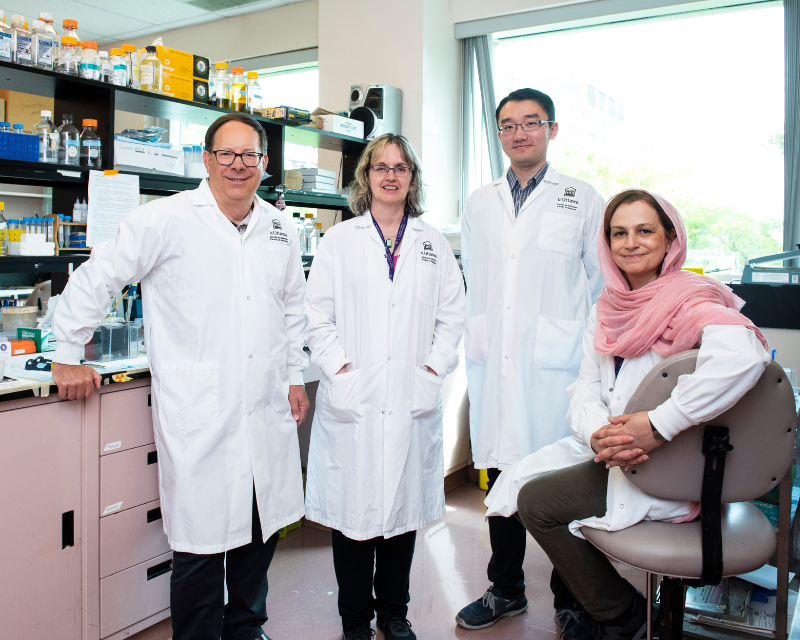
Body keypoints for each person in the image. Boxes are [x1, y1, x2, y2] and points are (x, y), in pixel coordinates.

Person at [50, 112, 310, 640]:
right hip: (202, 408)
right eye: (226, 154)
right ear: (208, 160)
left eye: (249, 155)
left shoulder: (280, 227)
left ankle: (246, 627)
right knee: (199, 544)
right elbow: (100, 276)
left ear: (264, 163)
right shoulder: (164, 219)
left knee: (261, 527)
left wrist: (295, 373)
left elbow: (292, 309)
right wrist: (67, 348)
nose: (238, 165)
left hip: (265, 404)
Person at [484, 189, 770, 640]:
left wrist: (659, 425)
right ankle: (582, 603)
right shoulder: (608, 308)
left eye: (644, 231)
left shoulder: (691, 300)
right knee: (515, 480)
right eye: (619, 232)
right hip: (619, 452)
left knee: (538, 503)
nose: (630, 242)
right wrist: (598, 433)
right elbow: (585, 387)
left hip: (669, 465)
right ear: (607, 242)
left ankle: (621, 615)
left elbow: (747, 357)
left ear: (670, 239)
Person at [304, 133, 466, 640]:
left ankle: (394, 615)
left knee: (401, 516)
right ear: (366, 176)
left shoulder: (432, 243)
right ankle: (355, 620)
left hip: (410, 396)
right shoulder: (340, 239)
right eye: (381, 167)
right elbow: (316, 316)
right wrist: (342, 371)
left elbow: (452, 317)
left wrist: (432, 373)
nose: (391, 175)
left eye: (401, 167)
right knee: (352, 520)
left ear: (412, 178)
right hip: (353, 397)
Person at [457, 87, 605, 630]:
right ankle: (506, 589)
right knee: (504, 477)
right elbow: (477, 279)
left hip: (559, 366)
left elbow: (597, 284)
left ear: (552, 129)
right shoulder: (479, 201)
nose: (520, 133)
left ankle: (571, 598)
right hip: (497, 361)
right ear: (499, 135)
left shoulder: (582, 197)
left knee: (561, 479)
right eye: (508, 125)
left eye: (531, 122)